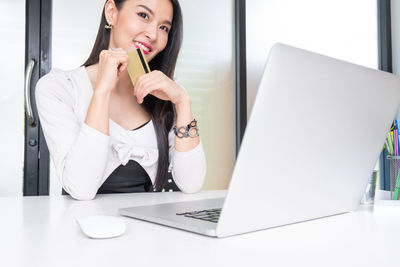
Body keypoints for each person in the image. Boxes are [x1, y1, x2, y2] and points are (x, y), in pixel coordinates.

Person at [35, 0, 206, 200]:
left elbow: (191, 183)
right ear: (111, 12)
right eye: (143, 15)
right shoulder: (59, 87)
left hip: (149, 227)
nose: (153, 34)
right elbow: (81, 188)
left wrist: (183, 102)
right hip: (81, 227)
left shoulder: (167, 93)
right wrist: (102, 90)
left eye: (163, 27)